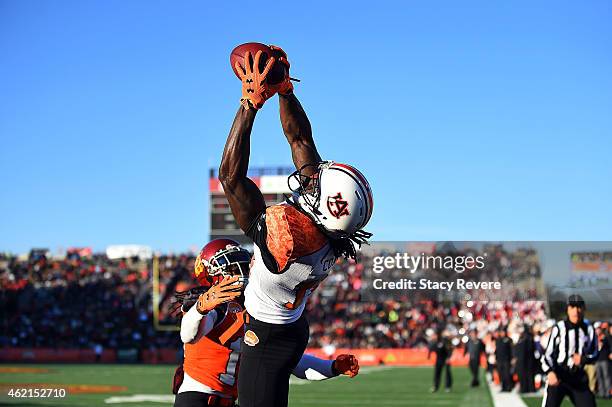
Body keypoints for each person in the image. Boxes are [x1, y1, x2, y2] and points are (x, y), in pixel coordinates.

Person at [220, 46, 373, 407]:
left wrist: (249, 105)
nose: (315, 181)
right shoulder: (336, 232)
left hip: (266, 337)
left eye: (320, 186)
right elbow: (300, 141)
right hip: (292, 328)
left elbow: (231, 177)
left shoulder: (287, 237)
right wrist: (286, 90)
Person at [172, 239, 360, 407]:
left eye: (244, 266)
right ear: (211, 275)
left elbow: (288, 360)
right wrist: (200, 307)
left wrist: (332, 367)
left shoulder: (258, 307)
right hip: (196, 399)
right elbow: (188, 335)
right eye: (232, 268)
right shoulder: (211, 305)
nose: (242, 272)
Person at [540, 294, 599, 407]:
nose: (576, 311)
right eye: (572, 307)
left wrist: (584, 359)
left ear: (583, 309)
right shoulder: (559, 327)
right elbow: (547, 354)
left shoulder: (589, 328)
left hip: (578, 377)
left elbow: (595, 353)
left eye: (579, 307)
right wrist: (550, 372)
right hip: (559, 376)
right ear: (567, 309)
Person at [515, 324, 537, 393]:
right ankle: (530, 388)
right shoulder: (529, 337)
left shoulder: (525, 338)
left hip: (525, 360)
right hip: (528, 360)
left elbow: (527, 350)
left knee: (525, 375)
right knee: (529, 375)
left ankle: (526, 388)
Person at [495, 326, 513, 392]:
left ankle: (508, 387)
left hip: (506, 360)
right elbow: (496, 350)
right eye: (501, 331)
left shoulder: (509, 340)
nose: (502, 333)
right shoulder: (498, 340)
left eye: (503, 331)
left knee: (507, 374)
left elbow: (511, 350)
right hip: (499, 360)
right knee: (501, 374)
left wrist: (512, 358)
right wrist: (496, 358)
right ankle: (503, 387)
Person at [595, 322, 610, 399]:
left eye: (599, 329)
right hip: (597, 360)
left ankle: (608, 393)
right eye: (596, 329)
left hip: (604, 359)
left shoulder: (606, 337)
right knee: (599, 377)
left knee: (606, 376)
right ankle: (601, 393)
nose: (597, 330)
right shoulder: (594, 339)